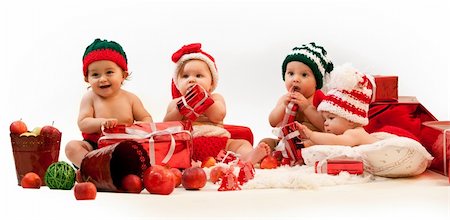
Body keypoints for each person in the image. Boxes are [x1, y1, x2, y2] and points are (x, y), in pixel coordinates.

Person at [164, 43, 269, 164]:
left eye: (199, 75)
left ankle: (248, 157)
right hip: (190, 143)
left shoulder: (216, 98)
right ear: (177, 83)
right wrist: (179, 109)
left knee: (240, 144)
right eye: (185, 76)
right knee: (170, 148)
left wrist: (203, 99)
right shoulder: (176, 103)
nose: (191, 80)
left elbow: (218, 115)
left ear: (211, 82)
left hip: (219, 142)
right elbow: (167, 125)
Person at [65, 38, 153, 168]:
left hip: (125, 147)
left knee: (146, 150)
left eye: (109, 72)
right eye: (95, 74)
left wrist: (140, 126)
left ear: (123, 75)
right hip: (96, 146)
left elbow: (146, 118)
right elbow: (83, 123)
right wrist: (101, 122)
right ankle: (94, 168)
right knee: (71, 147)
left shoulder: (131, 99)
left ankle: (111, 171)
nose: (102, 79)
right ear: (87, 78)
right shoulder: (90, 98)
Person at [258, 42, 334, 150]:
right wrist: (283, 106)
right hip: (284, 142)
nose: (295, 79)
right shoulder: (284, 99)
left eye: (304, 75)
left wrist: (307, 108)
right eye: (291, 73)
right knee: (265, 142)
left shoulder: (319, 99)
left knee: (314, 145)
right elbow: (272, 122)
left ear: (317, 82)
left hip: (308, 141)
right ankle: (267, 155)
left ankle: (298, 156)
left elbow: (324, 125)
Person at [296, 63, 379, 146]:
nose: (325, 123)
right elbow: (328, 140)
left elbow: (335, 141)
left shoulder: (356, 133)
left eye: (331, 118)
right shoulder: (344, 134)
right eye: (325, 119)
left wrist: (311, 135)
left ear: (350, 119)